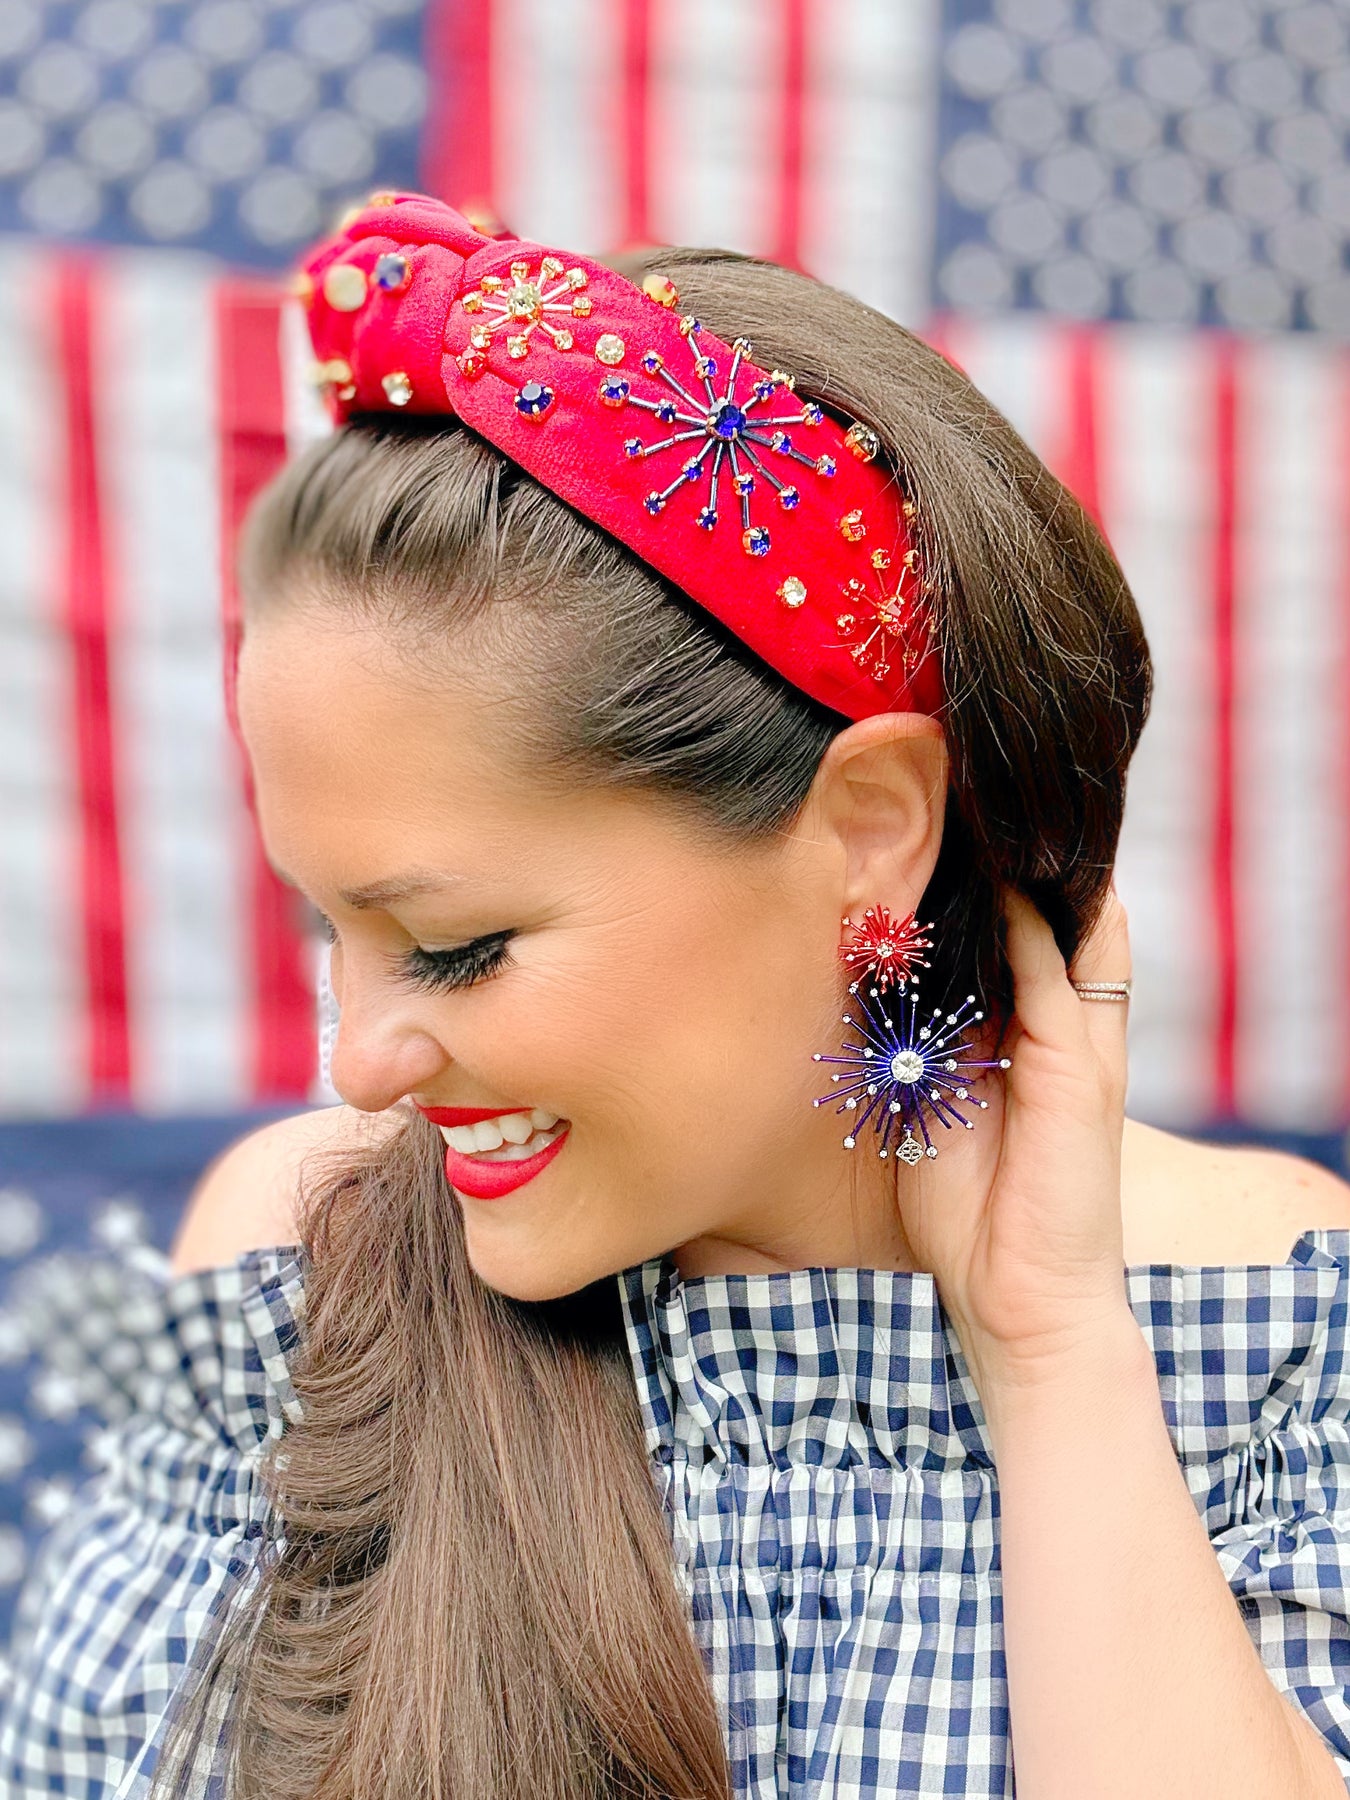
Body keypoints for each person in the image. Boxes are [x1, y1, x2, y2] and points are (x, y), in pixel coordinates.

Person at [3, 192, 1350, 1800]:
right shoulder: (302, 1278)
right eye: (329, 928)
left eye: (458, 944)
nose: (361, 1065)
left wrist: (1052, 1351)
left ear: (870, 830)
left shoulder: (1266, 1327)